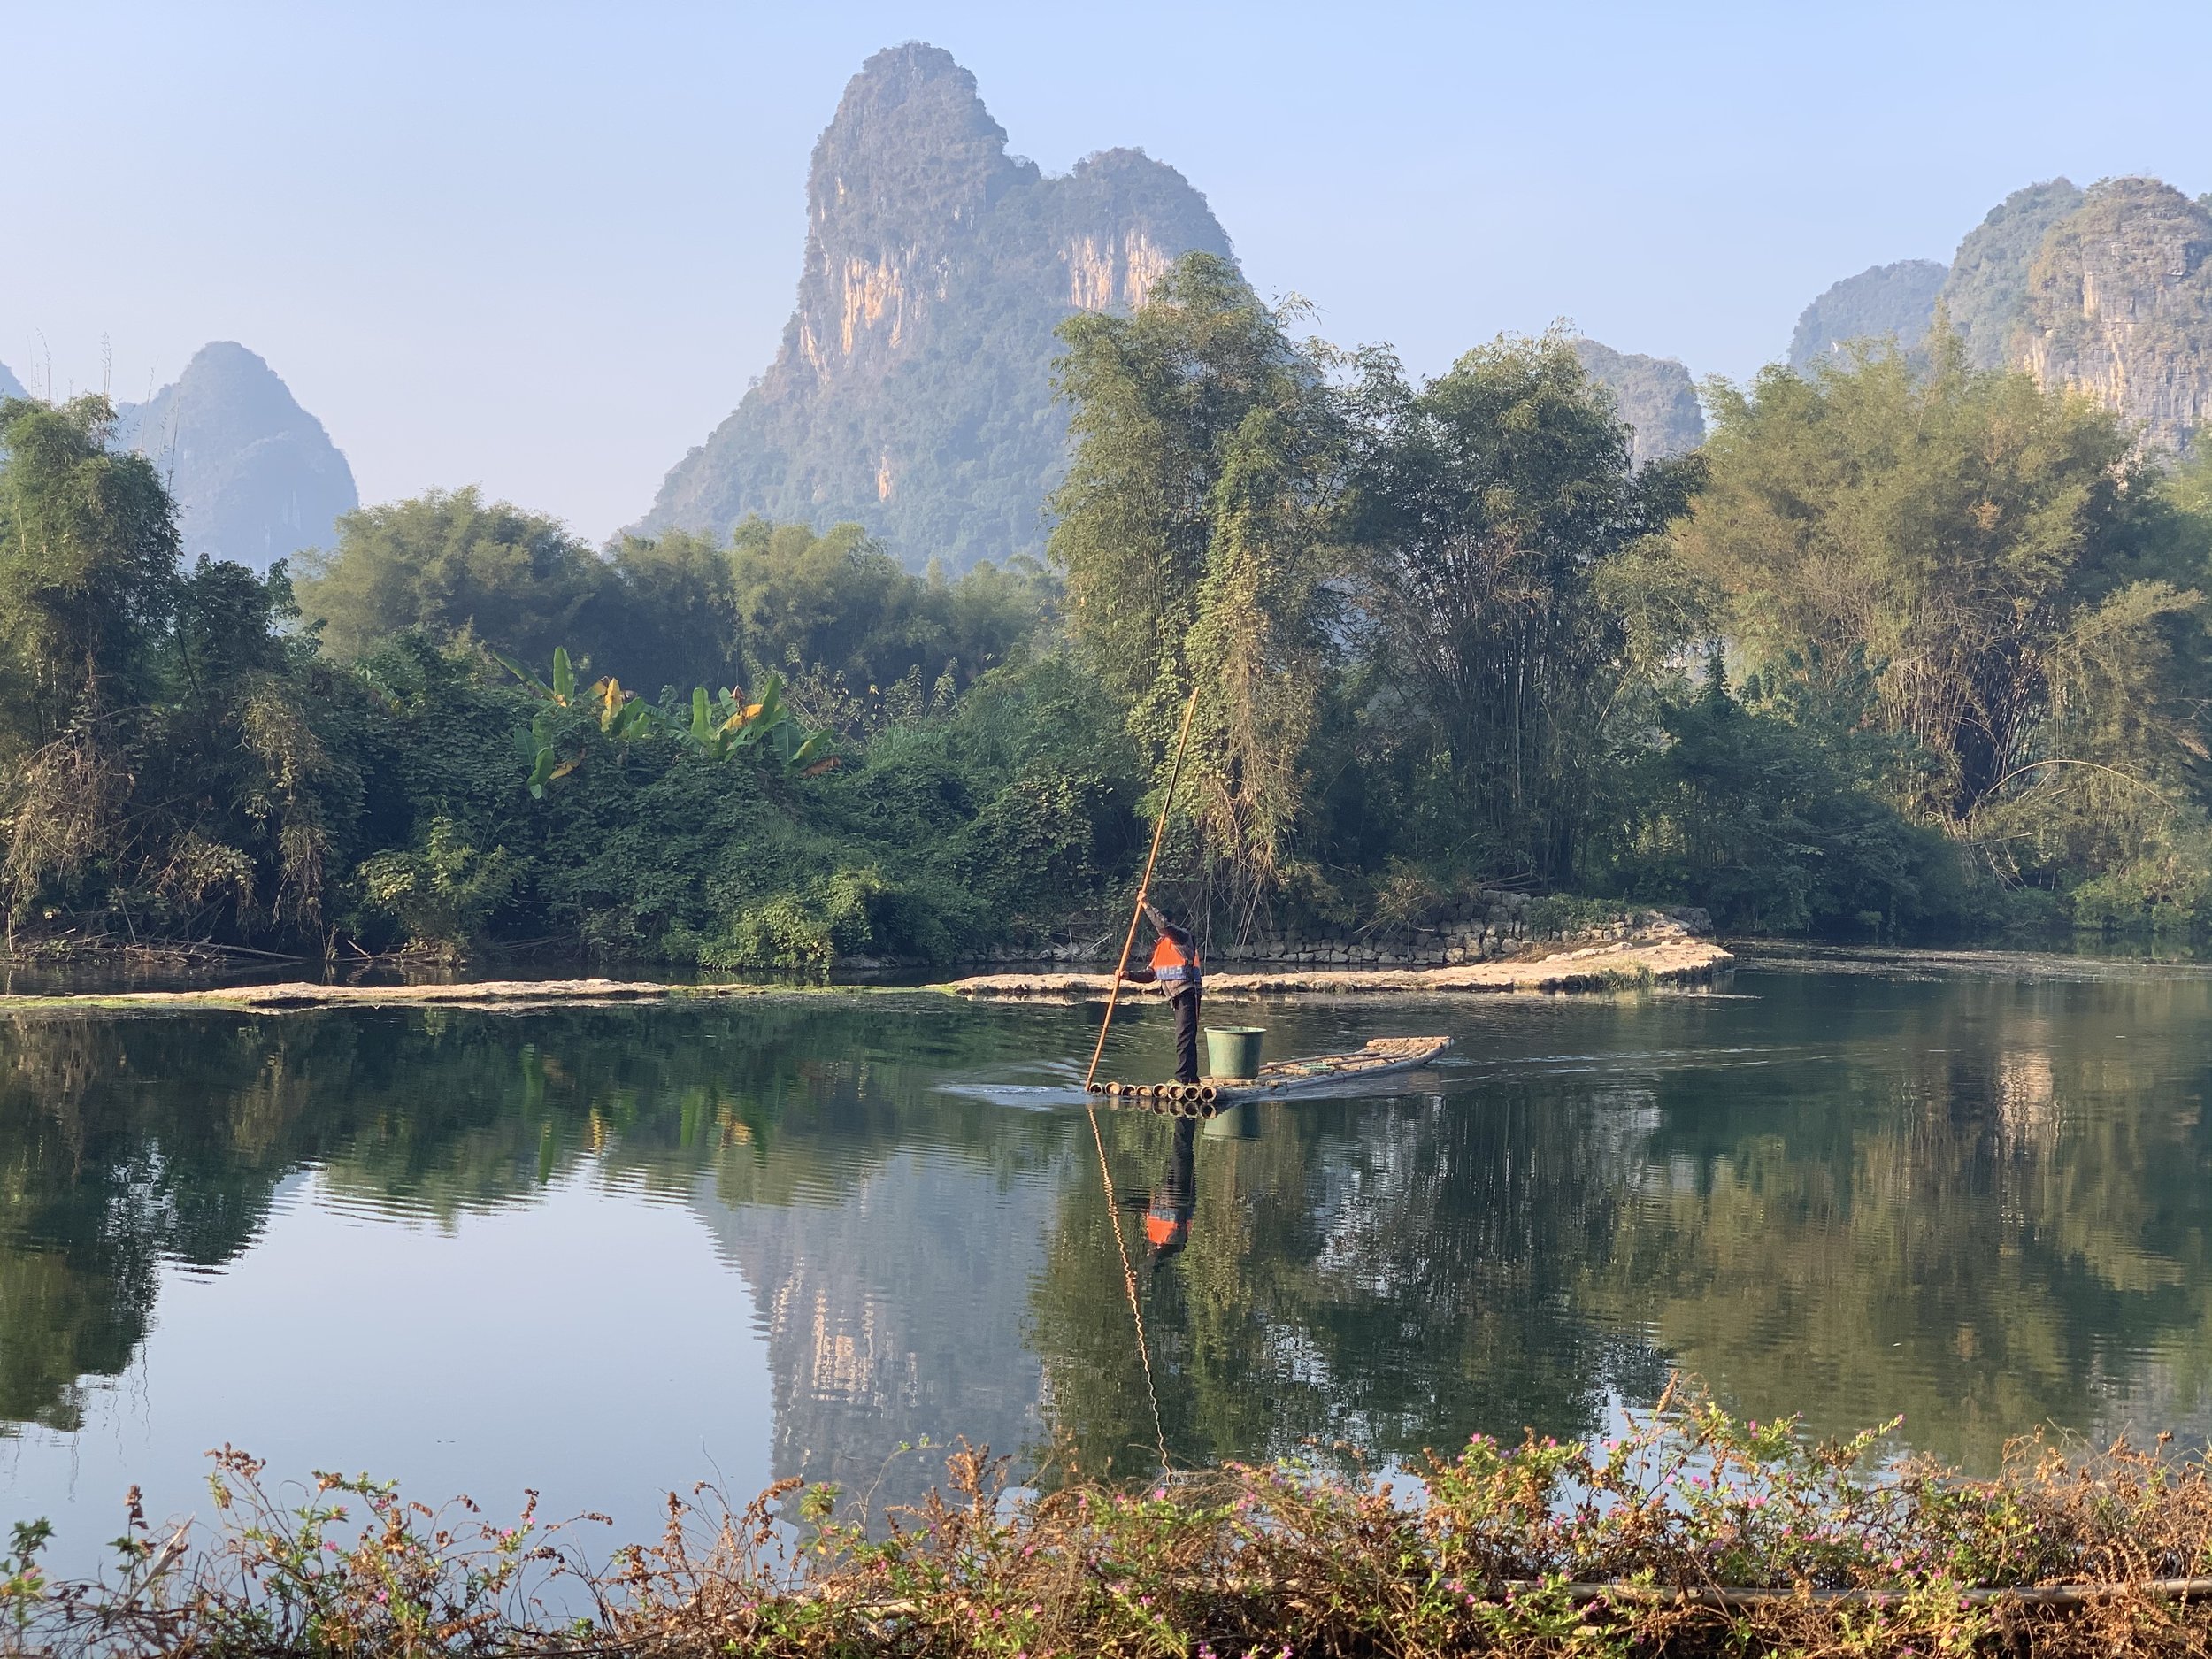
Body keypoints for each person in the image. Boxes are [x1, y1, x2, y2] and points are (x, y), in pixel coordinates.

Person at [1119, 899, 1202, 1084]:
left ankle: (1183, 1079)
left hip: (1189, 992)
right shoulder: (1161, 948)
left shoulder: (1181, 937)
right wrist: (1128, 975)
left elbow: (1162, 924)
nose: (1160, 926)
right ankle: (1192, 1078)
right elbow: (1150, 974)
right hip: (1175, 995)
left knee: (1184, 1036)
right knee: (1185, 1036)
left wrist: (1146, 906)